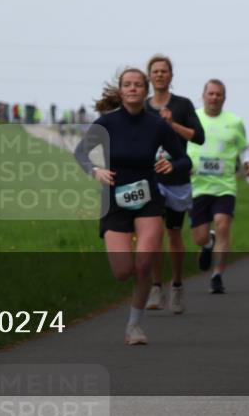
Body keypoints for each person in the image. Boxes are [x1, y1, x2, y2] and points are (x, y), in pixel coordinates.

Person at [74, 68, 189, 345]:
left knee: (145, 261)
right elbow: (80, 153)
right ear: (122, 90)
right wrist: (95, 171)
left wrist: (171, 164)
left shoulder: (157, 125)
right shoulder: (108, 123)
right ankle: (135, 308)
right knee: (123, 271)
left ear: (145, 90)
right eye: (128, 85)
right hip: (114, 199)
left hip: (148, 198)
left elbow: (184, 159)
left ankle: (134, 326)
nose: (133, 89)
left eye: (138, 84)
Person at [143, 55, 205, 314]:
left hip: (177, 179)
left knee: (173, 233)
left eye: (164, 71)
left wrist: (172, 125)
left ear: (170, 76)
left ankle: (177, 286)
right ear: (149, 76)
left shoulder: (183, 105)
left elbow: (199, 137)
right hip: (151, 179)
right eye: (155, 71)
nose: (159, 75)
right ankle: (156, 287)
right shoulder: (143, 107)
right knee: (154, 233)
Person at [187, 79, 249, 295]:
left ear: (224, 98)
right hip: (197, 186)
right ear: (203, 95)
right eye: (211, 94)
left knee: (223, 223)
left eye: (219, 94)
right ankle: (207, 244)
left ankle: (217, 276)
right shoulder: (192, 118)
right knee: (199, 236)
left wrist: (248, 163)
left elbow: (245, 148)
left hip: (224, 185)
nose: (214, 98)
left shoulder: (234, 122)